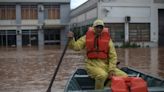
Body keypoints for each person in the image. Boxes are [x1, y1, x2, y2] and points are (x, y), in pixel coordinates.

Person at [67, 19, 127, 89]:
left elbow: (113, 56)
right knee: (102, 75)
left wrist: (111, 70)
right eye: (97, 27)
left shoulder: (108, 40)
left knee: (124, 76)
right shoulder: (86, 37)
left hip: (105, 65)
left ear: (103, 28)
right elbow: (76, 47)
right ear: (93, 27)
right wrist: (71, 39)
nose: (99, 29)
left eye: (101, 27)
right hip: (91, 65)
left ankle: (106, 88)